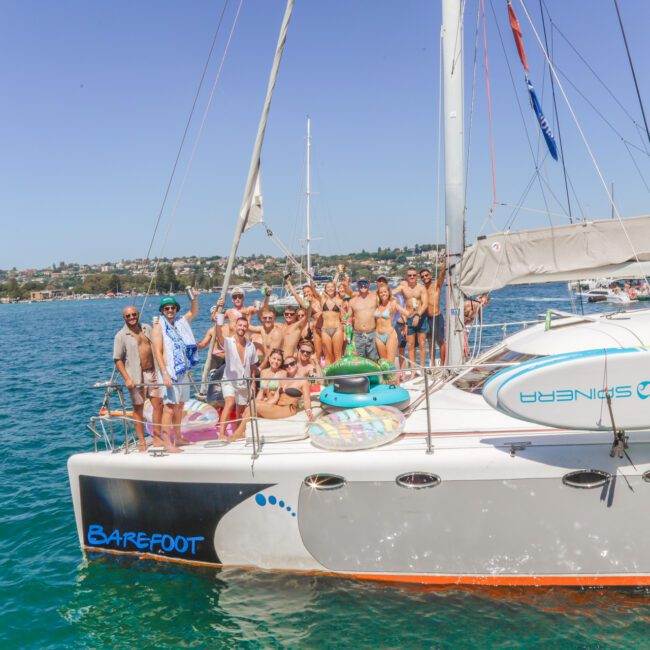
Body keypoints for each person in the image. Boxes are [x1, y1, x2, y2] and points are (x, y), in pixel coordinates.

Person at [152, 291, 199, 453]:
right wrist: (164, 373)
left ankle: (178, 437)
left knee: (180, 405)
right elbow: (157, 352)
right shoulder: (159, 327)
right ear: (162, 311)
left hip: (182, 371)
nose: (170, 310)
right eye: (166, 308)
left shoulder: (180, 322)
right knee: (169, 407)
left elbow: (193, 311)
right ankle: (166, 442)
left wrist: (194, 298)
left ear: (176, 309)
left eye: (172, 307)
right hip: (169, 372)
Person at [113, 305, 163, 452]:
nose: (132, 318)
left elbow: (159, 343)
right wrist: (127, 379)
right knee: (138, 408)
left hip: (152, 373)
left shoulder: (147, 328)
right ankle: (142, 441)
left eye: (134, 314)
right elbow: (118, 359)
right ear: (124, 318)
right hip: (135, 376)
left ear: (138, 314)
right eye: (128, 316)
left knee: (158, 405)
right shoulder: (120, 336)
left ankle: (157, 436)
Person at [232, 353, 314, 439]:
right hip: (277, 406)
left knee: (255, 406)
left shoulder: (303, 381)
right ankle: (243, 432)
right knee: (251, 405)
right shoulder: (283, 380)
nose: (289, 366)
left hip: (288, 409)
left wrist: (308, 411)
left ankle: (237, 434)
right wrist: (263, 404)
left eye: (292, 363)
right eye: (286, 365)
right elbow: (275, 398)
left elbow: (307, 399)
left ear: (296, 364)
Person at [214, 298, 259, 439]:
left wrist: (252, 382)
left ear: (247, 328)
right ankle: (221, 433)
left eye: (244, 326)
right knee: (230, 402)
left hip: (244, 381)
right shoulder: (228, 342)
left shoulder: (250, 345)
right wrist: (219, 311)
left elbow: (252, 365)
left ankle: (237, 432)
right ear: (235, 326)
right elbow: (219, 333)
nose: (242, 328)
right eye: (239, 325)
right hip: (229, 379)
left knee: (241, 408)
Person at [395, 267, 429, 373]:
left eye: (414, 275)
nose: (412, 277)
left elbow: (425, 303)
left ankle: (421, 368)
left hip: (421, 317)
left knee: (422, 343)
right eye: (410, 275)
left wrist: (418, 315)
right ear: (407, 276)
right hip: (409, 317)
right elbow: (388, 293)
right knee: (410, 345)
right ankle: (413, 370)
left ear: (417, 276)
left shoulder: (421, 288)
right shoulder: (403, 288)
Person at [374, 285, 409, 372]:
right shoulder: (377, 305)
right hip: (378, 336)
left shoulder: (393, 305)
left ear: (389, 292)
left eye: (385, 292)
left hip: (390, 335)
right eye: (381, 292)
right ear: (378, 294)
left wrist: (406, 326)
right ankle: (386, 384)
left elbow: (407, 313)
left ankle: (395, 384)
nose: (383, 294)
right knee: (383, 362)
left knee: (390, 363)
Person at [420, 256, 446, 366]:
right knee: (430, 343)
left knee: (440, 342)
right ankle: (433, 366)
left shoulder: (437, 285)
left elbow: (443, 273)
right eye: (422, 276)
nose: (425, 277)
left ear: (430, 275)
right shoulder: (421, 289)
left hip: (437, 317)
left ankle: (443, 366)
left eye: (426, 275)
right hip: (427, 318)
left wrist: (445, 260)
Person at [348, 277, 379, 361]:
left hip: (372, 333)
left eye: (365, 283)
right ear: (357, 286)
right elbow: (348, 318)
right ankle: (362, 375)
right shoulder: (352, 301)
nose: (363, 286)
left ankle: (374, 374)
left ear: (369, 285)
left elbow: (388, 299)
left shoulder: (375, 298)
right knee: (360, 360)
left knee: (373, 359)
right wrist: (345, 320)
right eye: (360, 284)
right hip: (358, 335)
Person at [315, 280, 345, 364]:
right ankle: (328, 376)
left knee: (337, 356)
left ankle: (338, 376)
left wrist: (345, 330)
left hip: (337, 329)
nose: (330, 288)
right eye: (328, 287)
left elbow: (342, 318)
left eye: (332, 287)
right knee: (327, 356)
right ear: (325, 289)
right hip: (325, 330)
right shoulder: (322, 299)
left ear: (335, 288)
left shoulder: (340, 301)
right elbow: (314, 292)